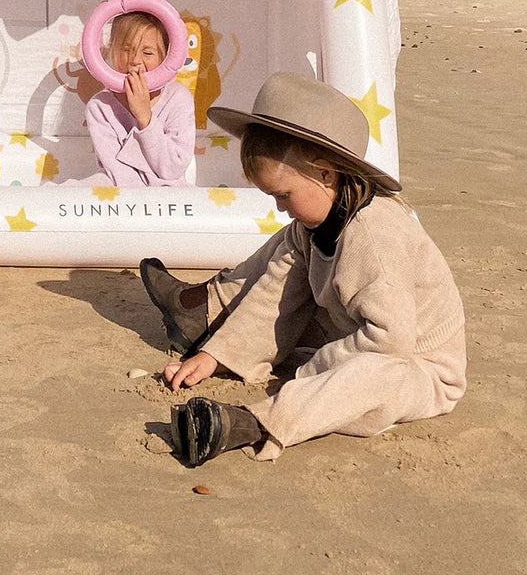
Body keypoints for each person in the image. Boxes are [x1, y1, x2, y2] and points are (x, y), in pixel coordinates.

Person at [139, 72, 466, 466]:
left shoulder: (375, 240)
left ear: (326, 174)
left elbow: (390, 343)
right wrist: (217, 354)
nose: (280, 207)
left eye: (283, 195)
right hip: (351, 329)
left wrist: (313, 371)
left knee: (371, 377)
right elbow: (275, 297)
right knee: (287, 245)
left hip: (417, 367)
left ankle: (254, 423)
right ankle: (205, 310)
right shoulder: (316, 220)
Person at [83, 9, 195, 187]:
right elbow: (117, 171)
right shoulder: (100, 106)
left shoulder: (178, 98)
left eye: (148, 53)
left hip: (169, 192)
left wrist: (145, 118)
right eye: (126, 49)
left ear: (165, 56)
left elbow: (173, 169)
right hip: (117, 188)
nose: (135, 60)